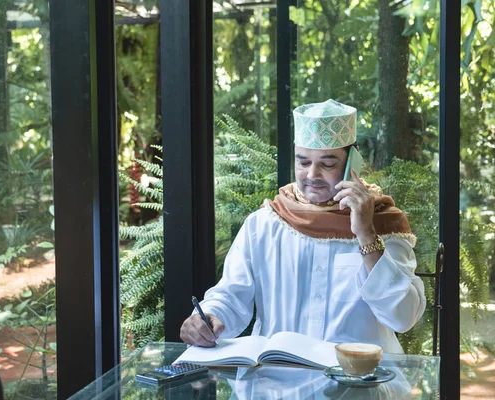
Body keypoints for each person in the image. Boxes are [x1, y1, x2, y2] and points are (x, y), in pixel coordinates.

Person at [180, 99, 426, 354]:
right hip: (276, 382)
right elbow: (230, 297)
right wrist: (207, 318)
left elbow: (403, 317)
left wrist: (365, 233)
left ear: (353, 162)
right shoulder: (264, 224)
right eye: (303, 162)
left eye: (327, 164)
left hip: (360, 380)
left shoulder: (382, 222)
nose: (312, 175)